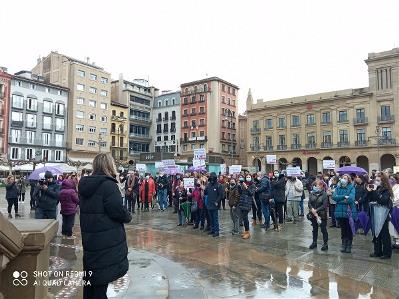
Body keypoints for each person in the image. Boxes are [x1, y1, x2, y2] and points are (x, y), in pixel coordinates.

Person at [78, 153, 132, 299]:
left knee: (91, 283)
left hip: (91, 239)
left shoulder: (84, 185)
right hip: (105, 241)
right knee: (101, 283)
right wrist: (128, 216)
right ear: (109, 165)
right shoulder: (108, 185)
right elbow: (117, 211)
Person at [368, 173, 393, 259]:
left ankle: (387, 253)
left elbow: (382, 200)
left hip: (383, 214)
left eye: (378, 180)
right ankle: (377, 251)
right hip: (376, 212)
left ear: (383, 181)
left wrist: (374, 192)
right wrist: (370, 192)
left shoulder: (387, 190)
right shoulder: (377, 189)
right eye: (376, 180)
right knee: (376, 233)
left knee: (384, 233)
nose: (376, 182)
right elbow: (372, 199)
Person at [333, 174, 357, 254]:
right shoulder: (338, 187)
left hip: (349, 212)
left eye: (345, 178)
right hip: (340, 212)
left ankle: (349, 245)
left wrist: (340, 200)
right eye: (343, 178)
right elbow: (334, 197)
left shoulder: (351, 187)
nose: (344, 179)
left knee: (349, 229)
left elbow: (351, 199)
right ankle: (344, 244)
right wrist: (344, 197)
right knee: (343, 229)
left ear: (348, 180)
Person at [308, 180, 329, 251]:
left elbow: (324, 205)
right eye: (315, 185)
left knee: (323, 229)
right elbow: (309, 203)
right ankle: (314, 242)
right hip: (313, 214)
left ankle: (325, 244)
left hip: (321, 214)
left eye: (317, 185)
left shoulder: (324, 194)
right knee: (314, 229)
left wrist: (317, 210)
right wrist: (312, 209)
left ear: (321, 186)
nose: (316, 186)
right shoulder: (312, 193)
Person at [237, 174, 256, 239]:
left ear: (251, 178)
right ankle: (245, 231)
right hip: (242, 202)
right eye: (247, 177)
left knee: (245, 217)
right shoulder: (243, 184)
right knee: (243, 218)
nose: (248, 178)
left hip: (248, 202)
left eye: (249, 177)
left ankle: (248, 232)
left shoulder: (252, 185)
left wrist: (247, 187)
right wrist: (239, 186)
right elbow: (240, 192)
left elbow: (251, 193)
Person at [204, 172, 223, 237]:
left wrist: (217, 201)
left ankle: (216, 231)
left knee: (215, 219)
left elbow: (221, 195)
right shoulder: (208, 185)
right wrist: (205, 186)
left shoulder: (218, 185)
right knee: (211, 218)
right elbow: (205, 193)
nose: (212, 179)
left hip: (215, 205)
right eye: (211, 178)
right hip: (209, 204)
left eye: (213, 178)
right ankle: (212, 230)